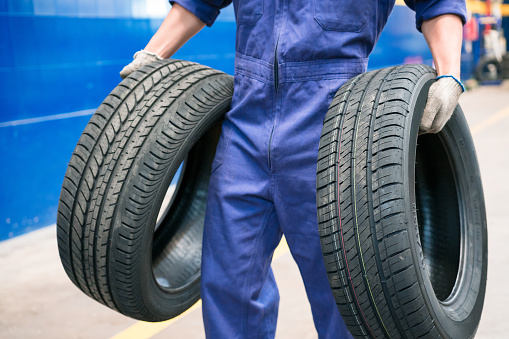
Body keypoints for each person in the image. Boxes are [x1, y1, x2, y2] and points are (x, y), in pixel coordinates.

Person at [120, 1, 466, 338]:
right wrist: (154, 53)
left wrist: (449, 73)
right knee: (228, 283)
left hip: (333, 135)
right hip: (245, 128)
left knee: (345, 296)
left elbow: (439, 2)